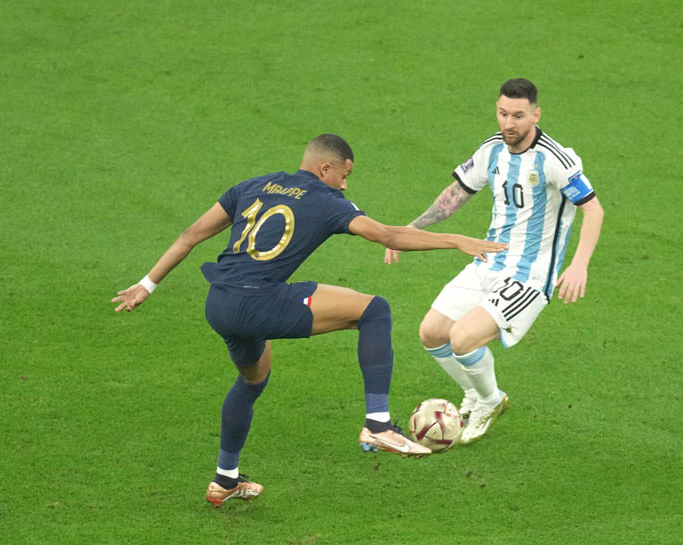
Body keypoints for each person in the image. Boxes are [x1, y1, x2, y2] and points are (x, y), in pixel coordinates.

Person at [112, 134, 507, 507]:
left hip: (219, 303)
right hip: (258, 302)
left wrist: (147, 284)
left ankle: (225, 480)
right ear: (325, 169)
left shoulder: (255, 185)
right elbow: (388, 236)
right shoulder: (326, 199)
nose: (345, 185)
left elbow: (190, 234)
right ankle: (378, 423)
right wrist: (456, 240)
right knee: (374, 310)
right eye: (345, 175)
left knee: (252, 380)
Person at [385, 78, 604, 445]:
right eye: (503, 114)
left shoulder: (554, 159)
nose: (508, 123)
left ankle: (491, 401)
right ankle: (474, 393)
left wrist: (579, 264)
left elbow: (593, 210)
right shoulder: (492, 150)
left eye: (518, 116)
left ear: (536, 115)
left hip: (529, 276)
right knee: (432, 333)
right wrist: (412, 229)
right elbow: (456, 194)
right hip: (488, 262)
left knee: (463, 338)